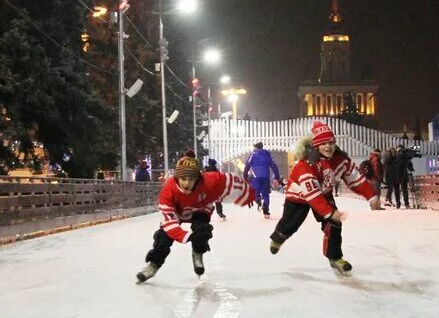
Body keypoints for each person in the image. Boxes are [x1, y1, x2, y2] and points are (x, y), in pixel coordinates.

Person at [268, 121, 380, 276]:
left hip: (324, 194)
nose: (328, 146)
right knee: (291, 223)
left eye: (331, 142)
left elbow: (356, 178)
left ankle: (335, 257)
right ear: (316, 146)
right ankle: (279, 237)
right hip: (299, 196)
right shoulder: (306, 164)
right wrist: (329, 212)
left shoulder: (341, 160)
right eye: (323, 143)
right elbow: (312, 194)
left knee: (334, 223)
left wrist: (371, 195)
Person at [136, 151, 255, 283]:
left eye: (191, 179)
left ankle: (198, 252)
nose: (187, 184)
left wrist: (249, 195)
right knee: (163, 238)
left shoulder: (210, 181)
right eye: (183, 179)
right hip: (177, 211)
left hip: (201, 209)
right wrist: (185, 236)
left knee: (202, 230)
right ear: (177, 177)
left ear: (197, 178)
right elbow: (169, 221)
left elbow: (231, 181)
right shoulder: (168, 190)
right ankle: (153, 265)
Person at [242, 141, 282, 217]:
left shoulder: (253, 155)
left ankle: (258, 200)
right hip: (266, 177)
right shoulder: (268, 155)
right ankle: (266, 210)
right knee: (266, 194)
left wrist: (245, 176)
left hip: (256, 177)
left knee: (255, 192)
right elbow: (274, 166)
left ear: (256, 148)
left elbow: (247, 165)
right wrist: (277, 176)